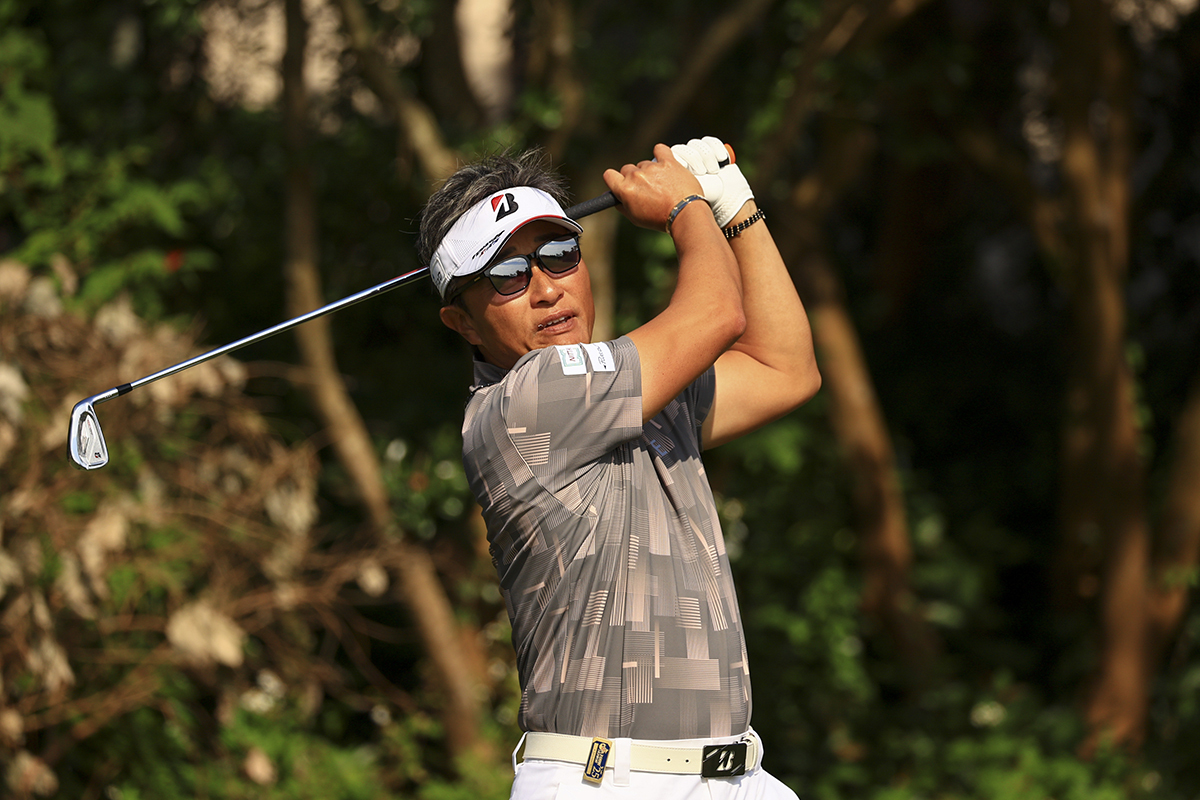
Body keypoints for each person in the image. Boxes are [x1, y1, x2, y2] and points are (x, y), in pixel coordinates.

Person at [416, 137, 820, 800]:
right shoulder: (523, 403)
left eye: (558, 253)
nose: (546, 288)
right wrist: (688, 207)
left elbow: (785, 369)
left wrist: (737, 208)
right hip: (605, 780)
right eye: (506, 274)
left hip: (735, 775)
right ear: (461, 321)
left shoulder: (636, 392)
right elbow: (718, 313)